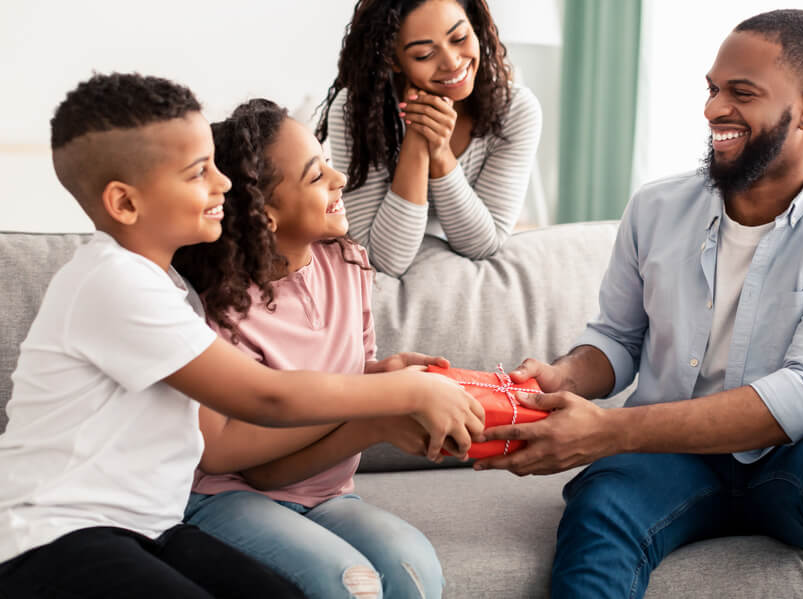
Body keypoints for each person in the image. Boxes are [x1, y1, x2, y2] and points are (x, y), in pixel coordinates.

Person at [475, 10, 803, 598]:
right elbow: (618, 339)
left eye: (742, 93)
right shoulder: (656, 208)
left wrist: (609, 430)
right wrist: (566, 376)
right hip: (667, 456)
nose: (713, 109)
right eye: (712, 89)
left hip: (794, 460)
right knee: (602, 502)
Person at [0, 73, 484, 599]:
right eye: (198, 173)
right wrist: (407, 391)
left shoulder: (170, 287)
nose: (225, 184)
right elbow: (264, 394)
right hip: (55, 532)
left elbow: (291, 381)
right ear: (125, 204)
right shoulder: (114, 282)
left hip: (150, 527)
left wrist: (383, 376)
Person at [172, 98, 448, 599]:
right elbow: (242, 462)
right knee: (351, 585)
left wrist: (378, 378)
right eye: (316, 175)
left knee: (416, 570)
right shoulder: (211, 303)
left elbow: (350, 379)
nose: (339, 179)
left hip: (328, 492)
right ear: (267, 214)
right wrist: (377, 400)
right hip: (226, 496)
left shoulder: (348, 266)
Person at [315, 0, 542, 277]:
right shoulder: (355, 110)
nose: (452, 62)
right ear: (394, 60)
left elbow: (482, 244)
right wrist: (417, 142)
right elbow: (384, 259)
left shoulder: (515, 111)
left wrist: (440, 151)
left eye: (460, 38)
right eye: (424, 54)